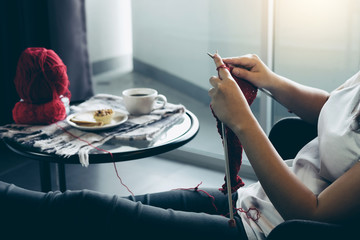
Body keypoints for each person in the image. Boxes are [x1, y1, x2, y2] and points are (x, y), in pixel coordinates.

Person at [1, 53, 359, 240]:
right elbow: (337, 107)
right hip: (252, 202)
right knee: (104, 209)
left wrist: (242, 122)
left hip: (266, 231)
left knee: (94, 214)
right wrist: (270, 80)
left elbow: (311, 215)